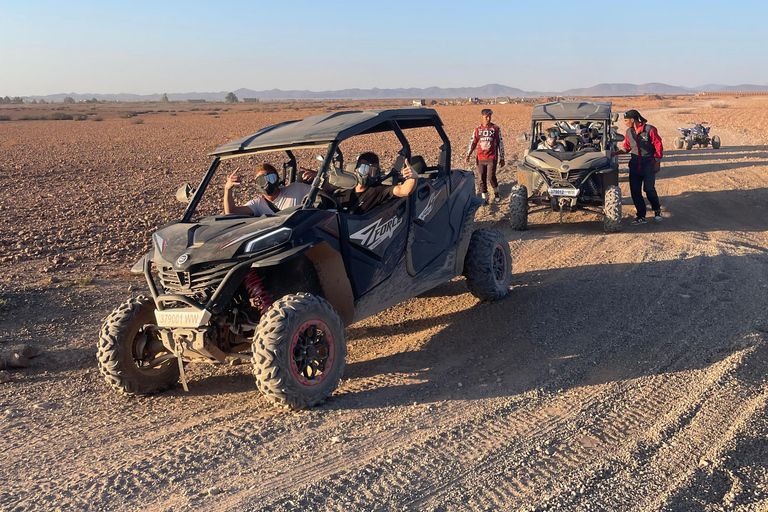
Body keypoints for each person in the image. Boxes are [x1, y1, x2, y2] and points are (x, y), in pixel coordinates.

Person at [612, 109, 663, 224]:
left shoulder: (650, 130)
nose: (625, 122)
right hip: (635, 165)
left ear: (632, 120)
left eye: (626, 120)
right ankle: (641, 216)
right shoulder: (628, 132)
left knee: (649, 189)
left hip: (648, 164)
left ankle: (657, 209)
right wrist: (615, 153)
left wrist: (657, 161)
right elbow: (627, 147)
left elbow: (658, 145)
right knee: (635, 191)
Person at [334, 152, 418, 215]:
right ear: (355, 170)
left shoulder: (379, 191)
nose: (367, 174)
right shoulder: (343, 192)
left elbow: (404, 190)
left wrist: (413, 177)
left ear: (377, 173)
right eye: (364, 169)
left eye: (372, 171)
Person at [223, 163, 312, 216]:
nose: (267, 184)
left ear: (277, 179)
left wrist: (318, 177)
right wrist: (227, 189)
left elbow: (324, 193)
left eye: (271, 178)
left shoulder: (296, 189)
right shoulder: (258, 204)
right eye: (262, 181)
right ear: (257, 184)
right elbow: (231, 212)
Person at [465, 108, 505, 203]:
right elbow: (473, 142)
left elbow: (500, 143)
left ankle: (496, 193)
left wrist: (502, 157)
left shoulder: (495, 129)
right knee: (481, 178)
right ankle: (485, 198)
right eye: (486, 116)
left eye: (489, 116)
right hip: (480, 158)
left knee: (491, 176)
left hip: (492, 157)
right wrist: (468, 155)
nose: (488, 118)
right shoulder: (478, 129)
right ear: (482, 117)